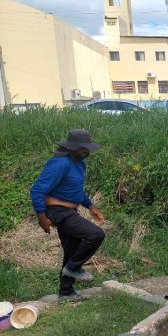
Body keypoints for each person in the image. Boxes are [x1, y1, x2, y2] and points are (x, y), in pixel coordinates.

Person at [30, 129, 106, 302]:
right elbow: (37, 189)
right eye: (82, 148)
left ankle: (66, 292)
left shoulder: (80, 164)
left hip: (70, 210)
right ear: (72, 147)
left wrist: (90, 206)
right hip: (57, 211)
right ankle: (72, 268)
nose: (86, 152)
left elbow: (75, 190)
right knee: (95, 234)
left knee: (72, 249)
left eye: (88, 148)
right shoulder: (59, 163)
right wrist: (42, 217)